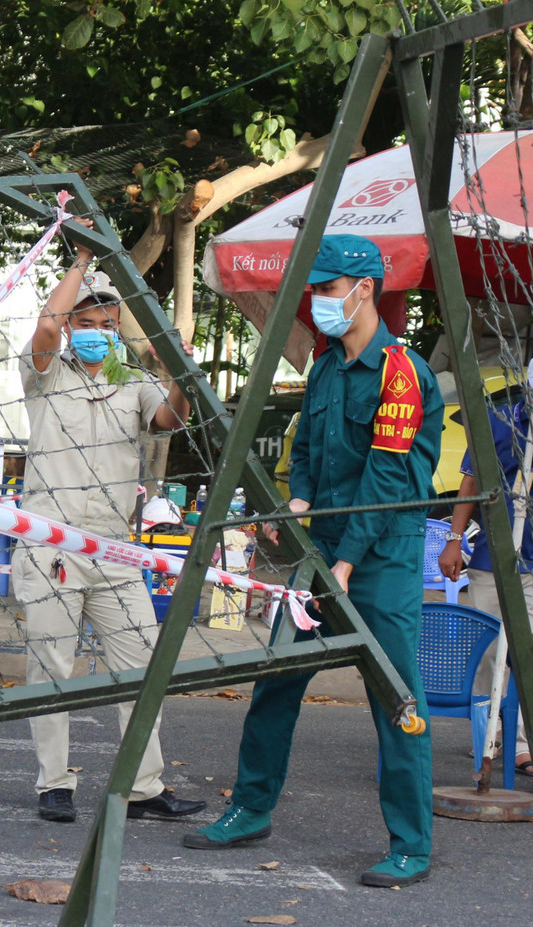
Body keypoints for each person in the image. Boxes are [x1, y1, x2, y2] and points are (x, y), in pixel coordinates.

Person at [184, 234, 444, 888]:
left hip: (379, 558)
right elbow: (306, 450)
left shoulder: (402, 373)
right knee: (277, 678)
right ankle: (250, 806)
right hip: (322, 552)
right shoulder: (326, 367)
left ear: (364, 291)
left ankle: (411, 842)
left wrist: (347, 563)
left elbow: (387, 478)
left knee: (396, 697)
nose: (319, 303)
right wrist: (296, 498)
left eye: (327, 290)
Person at [13, 222, 207, 825]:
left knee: (139, 665)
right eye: (87, 322)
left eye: (107, 324)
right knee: (52, 666)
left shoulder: (133, 383)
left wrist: (174, 367)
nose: (96, 333)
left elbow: (171, 419)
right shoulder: (44, 371)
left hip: (116, 548)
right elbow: (46, 325)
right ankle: (54, 783)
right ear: (74, 326)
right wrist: (83, 260)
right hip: (52, 543)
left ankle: (144, 787)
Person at [438, 401, 532, 774]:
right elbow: (471, 481)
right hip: (493, 558)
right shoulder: (497, 420)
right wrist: (454, 538)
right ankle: (487, 736)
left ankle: (520, 744)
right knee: (490, 654)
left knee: (526, 657)